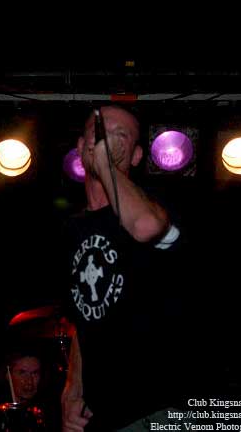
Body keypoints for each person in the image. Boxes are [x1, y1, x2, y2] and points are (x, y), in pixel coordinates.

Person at [60, 105, 192, 431]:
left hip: (157, 410)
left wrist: (106, 165)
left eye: (120, 135)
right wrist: (74, 387)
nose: (106, 141)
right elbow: (85, 315)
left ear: (136, 156)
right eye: (98, 132)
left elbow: (145, 226)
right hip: (105, 415)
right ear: (80, 146)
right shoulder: (72, 229)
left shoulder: (158, 207)